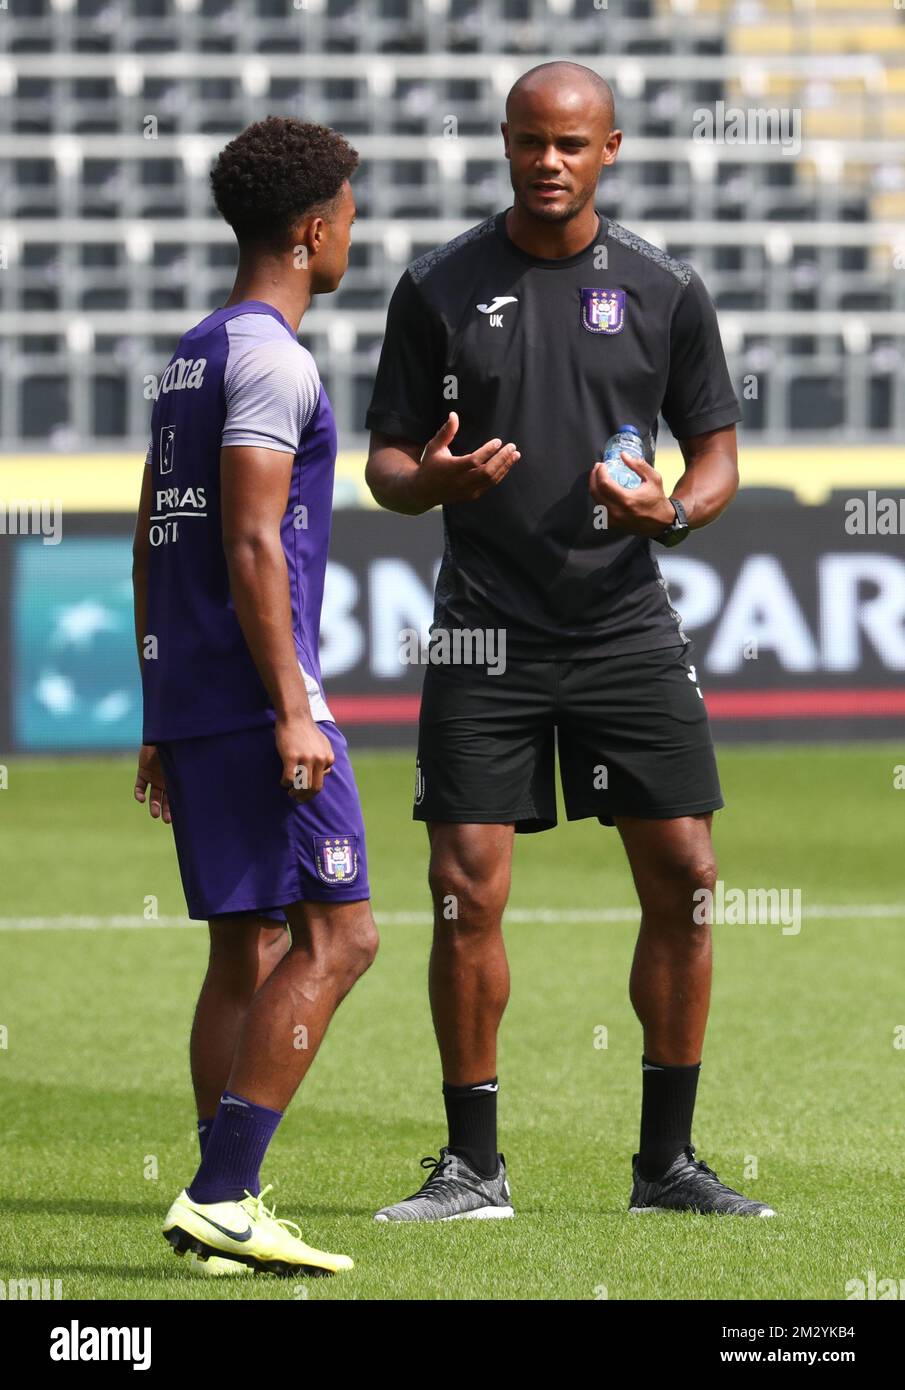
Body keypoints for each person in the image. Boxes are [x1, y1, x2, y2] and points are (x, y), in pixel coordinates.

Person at [365, 62, 774, 1220]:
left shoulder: (662, 288)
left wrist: (675, 511)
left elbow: (716, 452)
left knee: (687, 878)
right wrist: (427, 479)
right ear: (502, 145)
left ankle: (665, 1164)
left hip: (623, 624)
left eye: (571, 144)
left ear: (609, 151)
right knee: (463, 890)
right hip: (480, 630)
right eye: (528, 142)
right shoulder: (435, 287)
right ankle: (470, 1168)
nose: (548, 160)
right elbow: (387, 460)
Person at [132, 116, 377, 1276]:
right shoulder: (273, 357)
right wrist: (291, 703)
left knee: (246, 942)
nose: (353, 232)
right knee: (345, 933)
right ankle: (226, 1192)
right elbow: (246, 540)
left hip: (192, 698)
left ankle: (212, 1195)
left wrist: (153, 703)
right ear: (312, 227)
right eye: (349, 210)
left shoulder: (189, 352)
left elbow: (149, 538)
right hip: (256, 698)